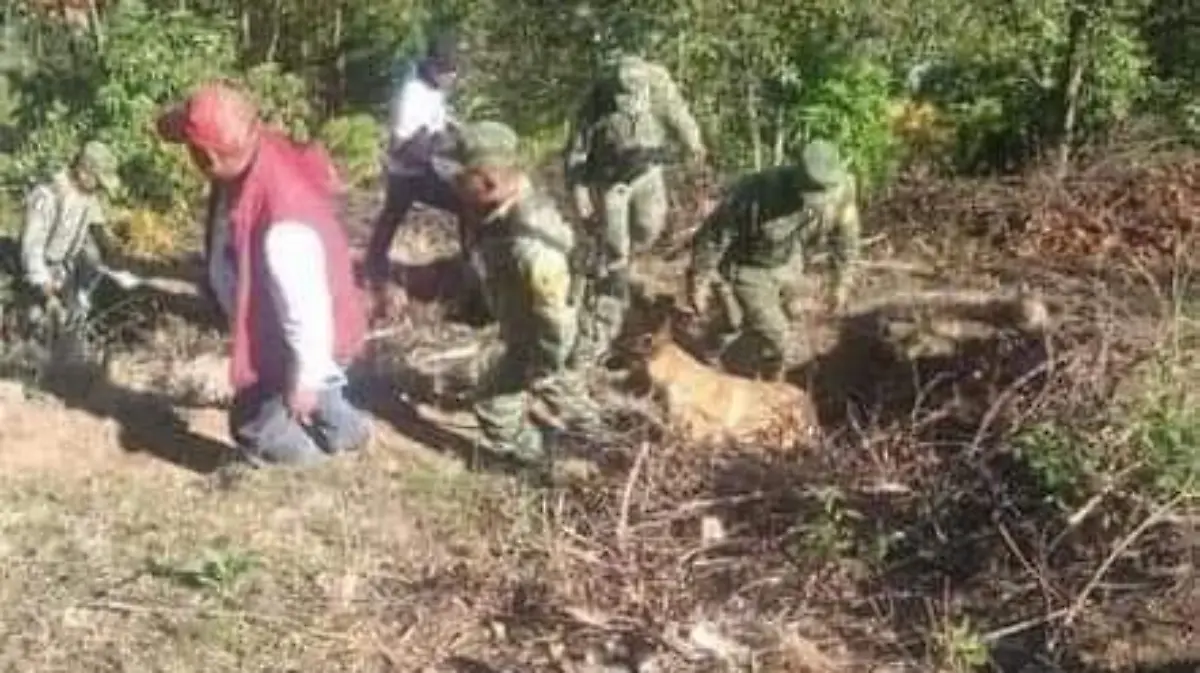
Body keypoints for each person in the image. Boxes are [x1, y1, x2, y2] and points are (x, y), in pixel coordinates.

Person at [156, 81, 372, 467]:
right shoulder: (253, 146)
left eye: (191, 151)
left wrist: (305, 380)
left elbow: (307, 310)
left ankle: (316, 468)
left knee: (256, 425)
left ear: (208, 157)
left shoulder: (282, 226)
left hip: (308, 334)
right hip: (307, 322)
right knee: (324, 394)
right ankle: (350, 433)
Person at [451, 120, 603, 470]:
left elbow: (556, 320)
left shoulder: (530, 245)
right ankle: (599, 442)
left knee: (497, 399)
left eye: (461, 178)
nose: (454, 185)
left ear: (489, 181)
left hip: (545, 339)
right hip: (532, 329)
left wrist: (545, 364)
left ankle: (538, 461)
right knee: (564, 392)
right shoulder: (500, 207)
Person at [564, 37, 707, 367]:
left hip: (647, 174)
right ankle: (611, 295)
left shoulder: (660, 90)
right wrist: (581, 195)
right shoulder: (595, 101)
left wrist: (694, 146)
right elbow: (577, 153)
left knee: (649, 227)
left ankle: (623, 263)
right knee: (615, 247)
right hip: (609, 181)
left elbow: (682, 120)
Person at [685, 139, 862, 381]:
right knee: (778, 338)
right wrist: (699, 280)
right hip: (747, 267)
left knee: (785, 316)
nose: (822, 201)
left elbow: (846, 240)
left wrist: (841, 284)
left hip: (790, 261)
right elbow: (713, 235)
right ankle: (761, 383)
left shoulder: (842, 190)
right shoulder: (757, 191)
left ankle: (743, 351)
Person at [362, 33, 465, 324]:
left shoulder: (435, 88)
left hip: (426, 167)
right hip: (407, 171)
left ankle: (467, 263)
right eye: (445, 71)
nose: (450, 77)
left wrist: (457, 134)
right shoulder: (412, 93)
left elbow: (439, 122)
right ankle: (373, 268)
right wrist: (441, 146)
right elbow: (403, 145)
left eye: (453, 71)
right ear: (431, 66)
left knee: (463, 203)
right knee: (394, 213)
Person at [0, 141, 123, 337]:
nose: (99, 188)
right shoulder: (48, 196)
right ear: (83, 173)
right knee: (36, 326)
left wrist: (109, 243)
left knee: (74, 318)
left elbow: (96, 222)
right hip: (33, 274)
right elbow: (31, 251)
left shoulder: (86, 195)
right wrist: (48, 295)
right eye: (98, 182)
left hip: (62, 270)